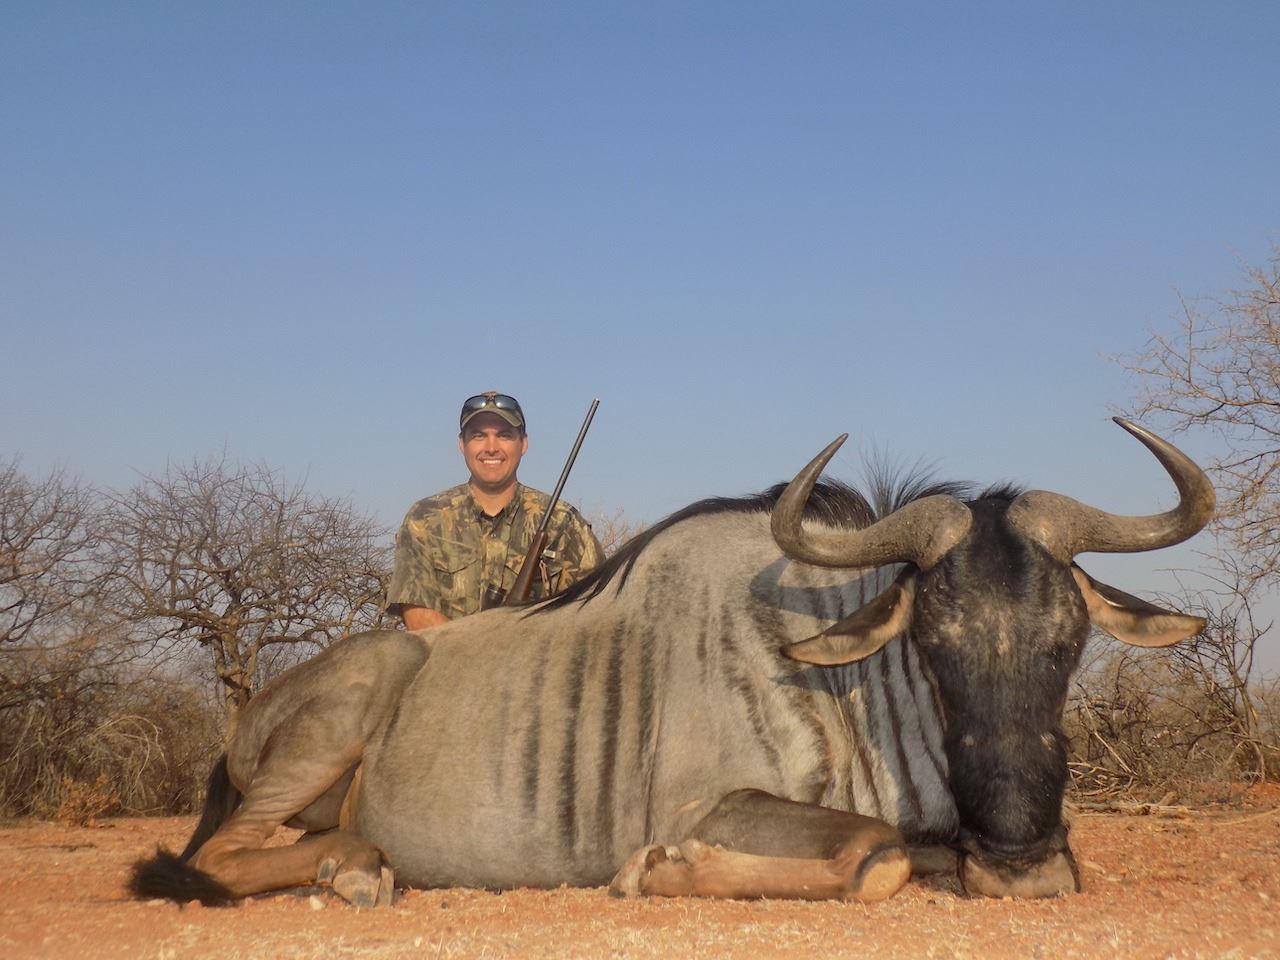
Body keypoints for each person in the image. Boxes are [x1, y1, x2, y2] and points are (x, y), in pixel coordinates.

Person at [386, 392, 605, 630]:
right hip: (447, 655)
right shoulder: (424, 518)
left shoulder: (564, 521)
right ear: (462, 444)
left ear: (524, 444)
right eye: (479, 436)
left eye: (504, 435)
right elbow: (418, 616)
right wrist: (481, 650)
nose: (491, 448)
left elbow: (594, 614)